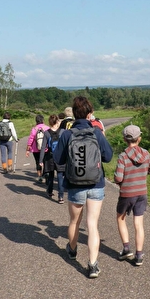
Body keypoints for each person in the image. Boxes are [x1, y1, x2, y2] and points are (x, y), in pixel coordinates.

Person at [53, 96, 113, 278]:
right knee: (92, 224)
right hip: (96, 183)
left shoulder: (67, 135)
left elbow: (58, 159)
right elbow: (108, 157)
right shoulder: (96, 133)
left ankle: (72, 251)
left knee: (74, 222)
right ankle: (93, 264)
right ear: (89, 114)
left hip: (74, 185)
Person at [114, 125, 150, 266]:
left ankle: (126, 248)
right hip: (142, 193)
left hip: (127, 193)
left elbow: (118, 178)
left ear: (124, 139)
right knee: (139, 223)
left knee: (121, 218)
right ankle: (138, 255)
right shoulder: (146, 154)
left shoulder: (123, 156)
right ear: (140, 138)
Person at [39, 114, 65, 204]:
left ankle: (50, 192)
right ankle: (61, 196)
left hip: (49, 157)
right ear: (57, 121)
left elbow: (43, 147)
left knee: (50, 175)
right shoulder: (62, 132)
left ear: (49, 122)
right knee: (60, 176)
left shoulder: (46, 133)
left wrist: (41, 160)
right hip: (61, 157)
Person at [25, 114, 49, 183]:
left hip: (35, 149)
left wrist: (28, 149)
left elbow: (31, 139)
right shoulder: (47, 128)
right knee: (45, 161)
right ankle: (46, 173)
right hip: (45, 149)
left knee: (38, 162)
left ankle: (40, 176)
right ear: (43, 120)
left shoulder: (34, 129)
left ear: (36, 121)